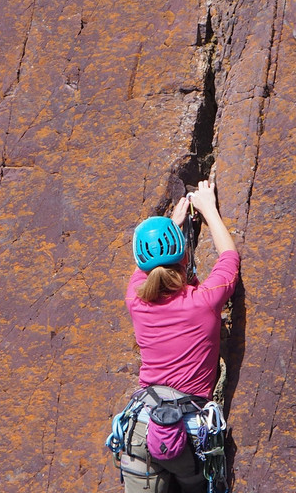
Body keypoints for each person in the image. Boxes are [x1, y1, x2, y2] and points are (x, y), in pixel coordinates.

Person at [117, 178, 240, 493]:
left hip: (142, 425)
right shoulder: (205, 301)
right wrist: (209, 209)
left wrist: (173, 224)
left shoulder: (136, 299)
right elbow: (229, 258)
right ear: (184, 255)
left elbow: (144, 268)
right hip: (191, 433)